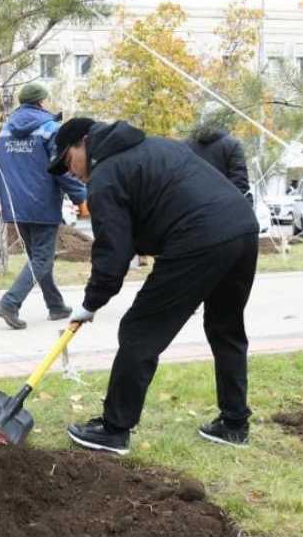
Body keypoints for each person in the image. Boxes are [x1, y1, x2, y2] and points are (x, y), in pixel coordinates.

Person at [47, 117, 259, 454]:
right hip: (244, 228)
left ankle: (114, 429)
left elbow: (113, 255)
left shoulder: (106, 176)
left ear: (83, 142)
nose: (69, 172)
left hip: (199, 236)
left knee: (139, 331)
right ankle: (234, 424)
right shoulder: (155, 146)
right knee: (225, 328)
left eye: (66, 161)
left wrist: (90, 304)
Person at [0, 82, 88, 330]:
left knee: (38, 257)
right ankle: (10, 303)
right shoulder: (50, 128)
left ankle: (55, 305)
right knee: (42, 258)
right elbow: (61, 167)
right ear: (41, 102)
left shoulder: (5, 130)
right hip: (42, 203)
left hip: (15, 206)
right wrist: (81, 197)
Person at [184, 114, 250, 195]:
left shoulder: (185, 145)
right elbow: (240, 184)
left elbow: (180, 180)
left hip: (192, 203)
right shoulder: (232, 144)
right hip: (223, 204)